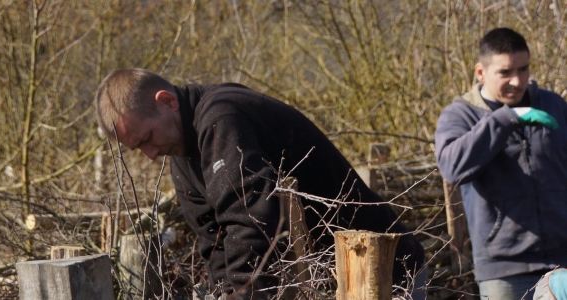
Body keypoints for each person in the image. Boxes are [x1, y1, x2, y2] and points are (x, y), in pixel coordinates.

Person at [94, 68, 425, 299]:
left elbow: (250, 219)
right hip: (324, 280)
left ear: (167, 101)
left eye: (148, 138)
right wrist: (226, 292)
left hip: (380, 273)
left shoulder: (222, 117)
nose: (151, 154)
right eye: (139, 148)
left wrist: (242, 295)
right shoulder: (182, 150)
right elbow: (215, 239)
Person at [434, 27, 567, 300]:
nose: (517, 81)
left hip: (561, 265)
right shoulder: (461, 115)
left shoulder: (553, 105)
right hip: (503, 271)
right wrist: (505, 120)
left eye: (523, 69)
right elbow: (452, 168)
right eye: (505, 73)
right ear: (480, 72)